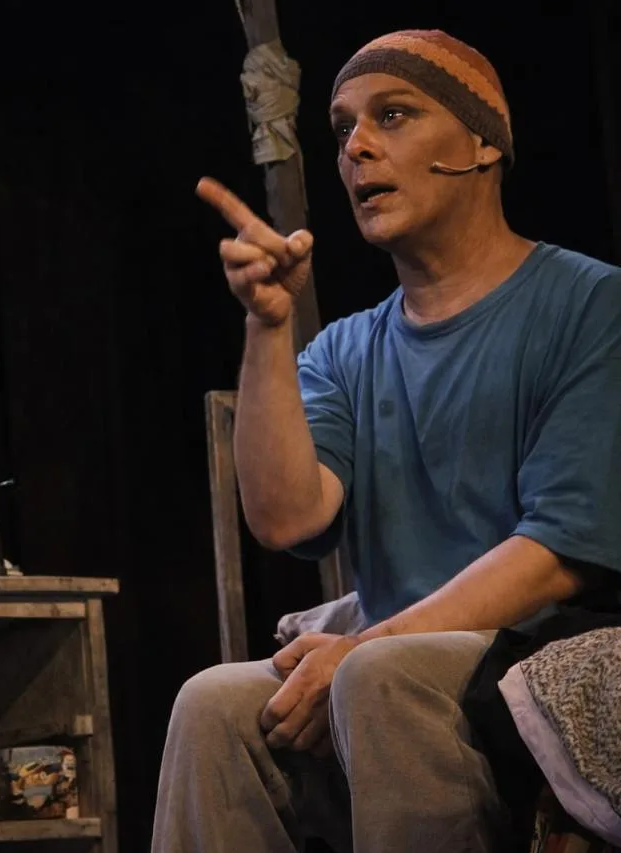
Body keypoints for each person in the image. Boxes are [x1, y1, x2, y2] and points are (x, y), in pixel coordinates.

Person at [152, 28, 621, 853]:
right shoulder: (345, 349)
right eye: (343, 129)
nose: (357, 147)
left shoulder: (591, 304)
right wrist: (268, 326)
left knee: (377, 675)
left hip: (545, 650)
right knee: (213, 702)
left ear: (482, 143)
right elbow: (285, 518)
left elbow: (558, 552)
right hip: (393, 658)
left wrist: (367, 644)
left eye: (393, 115)